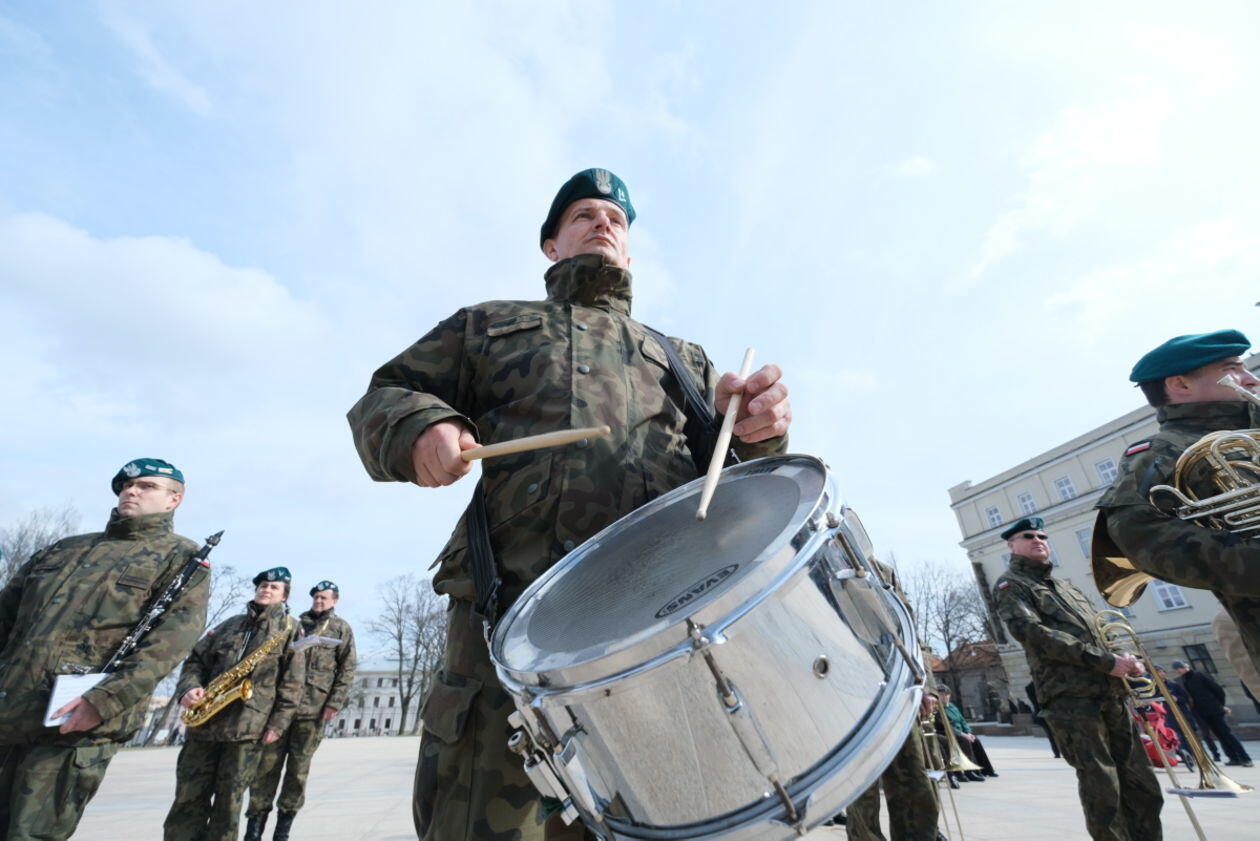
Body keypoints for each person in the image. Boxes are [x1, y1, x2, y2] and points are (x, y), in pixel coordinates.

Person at [347, 168, 792, 841]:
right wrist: (421, 427)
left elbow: (736, 490)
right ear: (552, 244)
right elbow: (388, 392)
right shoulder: (490, 325)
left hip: (655, 638)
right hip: (509, 633)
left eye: (615, 219)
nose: (602, 222)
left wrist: (761, 431)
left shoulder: (682, 359)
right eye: (584, 214)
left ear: (629, 251)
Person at [0, 459, 209, 840]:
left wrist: (103, 701)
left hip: (70, 725)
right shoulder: (64, 549)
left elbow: (167, 644)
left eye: (147, 486)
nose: (131, 491)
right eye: (127, 485)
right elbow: (5, 618)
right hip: (8, 710)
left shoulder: (182, 559)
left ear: (174, 499)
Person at [1093, 330, 1260, 678]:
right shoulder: (1161, 452)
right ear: (1180, 385)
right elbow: (1142, 535)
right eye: (1232, 369)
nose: (1251, 379)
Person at [994, 517, 1163, 841]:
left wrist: (1126, 658)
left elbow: (1101, 631)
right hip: (1071, 699)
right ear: (1012, 546)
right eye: (1028, 536)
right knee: (1103, 788)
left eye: (1042, 535)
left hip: (1111, 694)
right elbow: (1033, 633)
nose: (1038, 540)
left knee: (1142, 783)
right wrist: (1105, 662)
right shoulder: (1011, 585)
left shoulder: (1066, 587)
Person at [163, 567, 305, 841]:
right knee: (187, 798)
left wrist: (278, 724)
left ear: (284, 596)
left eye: (274, 587)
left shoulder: (290, 630)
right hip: (204, 725)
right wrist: (188, 688)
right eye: (263, 585)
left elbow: (293, 683)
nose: (266, 589)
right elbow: (195, 661)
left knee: (228, 806)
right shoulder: (229, 624)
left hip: (246, 730)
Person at [245, 580, 357, 841]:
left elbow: (347, 668)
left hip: (312, 711)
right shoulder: (294, 624)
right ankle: (254, 829)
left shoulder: (341, 629)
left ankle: (282, 831)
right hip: (281, 711)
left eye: (324, 598)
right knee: (265, 769)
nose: (319, 601)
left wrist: (334, 702)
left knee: (297, 772)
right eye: (316, 597)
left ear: (335, 601)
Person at [841, 560, 942, 841]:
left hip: (897, 690)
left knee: (915, 784)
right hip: (847, 693)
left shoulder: (881, 570)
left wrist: (927, 686)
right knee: (861, 793)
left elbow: (911, 634)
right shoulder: (809, 558)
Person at [1172, 659, 1253, 767]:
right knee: (1220, 736)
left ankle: (1245, 758)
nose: (1179, 670)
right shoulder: (1184, 681)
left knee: (1227, 734)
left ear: (1185, 667)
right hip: (1202, 712)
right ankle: (1233, 758)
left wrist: (1220, 705)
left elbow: (1218, 690)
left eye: (1180, 668)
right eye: (1177, 669)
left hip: (1214, 709)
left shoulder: (1199, 676)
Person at [937, 687, 997, 781]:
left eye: (947, 694)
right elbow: (947, 726)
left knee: (976, 741)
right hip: (950, 733)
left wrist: (968, 732)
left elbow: (962, 721)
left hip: (961, 732)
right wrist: (963, 734)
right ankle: (970, 771)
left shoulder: (952, 706)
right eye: (941, 695)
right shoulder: (938, 709)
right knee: (965, 741)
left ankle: (987, 770)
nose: (944, 697)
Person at [1025, 680, 1060, 758]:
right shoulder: (1043, 684)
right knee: (1057, 734)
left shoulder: (1029, 687)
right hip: (1049, 712)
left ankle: (1057, 752)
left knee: (1051, 735)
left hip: (1041, 714)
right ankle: (1061, 752)